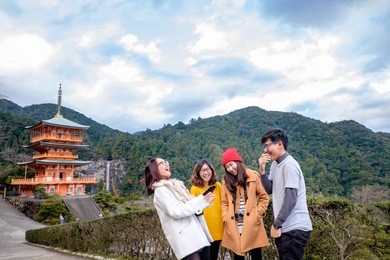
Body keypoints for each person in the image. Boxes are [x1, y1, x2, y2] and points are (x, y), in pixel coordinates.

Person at [144, 157, 216, 260]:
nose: (167, 164)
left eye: (167, 161)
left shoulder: (174, 186)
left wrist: (204, 201)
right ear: (155, 169)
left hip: (196, 235)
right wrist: (201, 201)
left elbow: (189, 205)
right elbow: (176, 211)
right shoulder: (161, 190)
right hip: (186, 240)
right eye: (163, 163)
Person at [258, 128, 312, 260]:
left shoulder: (290, 165)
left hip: (294, 228)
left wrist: (277, 224)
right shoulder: (276, 165)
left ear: (280, 144)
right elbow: (270, 189)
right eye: (264, 146)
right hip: (286, 227)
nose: (265, 150)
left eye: (267, 145)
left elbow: (291, 198)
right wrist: (262, 171)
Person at [220, 147, 269, 259]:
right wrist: (226, 217)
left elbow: (264, 197)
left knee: (256, 255)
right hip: (235, 225)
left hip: (252, 223)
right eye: (227, 167)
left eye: (231, 164)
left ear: (237, 162)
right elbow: (224, 202)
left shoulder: (252, 176)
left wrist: (257, 214)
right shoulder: (226, 181)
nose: (230, 169)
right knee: (238, 257)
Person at [190, 159, 224, 260]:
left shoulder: (217, 186)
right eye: (202, 170)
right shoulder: (194, 188)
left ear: (212, 171)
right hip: (203, 231)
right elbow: (193, 209)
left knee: (214, 256)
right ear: (198, 173)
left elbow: (223, 203)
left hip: (217, 229)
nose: (206, 173)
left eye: (208, 169)